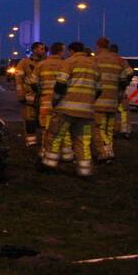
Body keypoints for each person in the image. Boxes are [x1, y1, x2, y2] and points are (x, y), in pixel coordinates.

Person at [41, 42, 101, 177]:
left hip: (66, 110)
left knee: (55, 136)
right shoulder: (94, 65)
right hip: (86, 112)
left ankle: (49, 164)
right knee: (83, 140)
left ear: (72, 50)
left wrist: (55, 101)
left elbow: (60, 85)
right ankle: (84, 170)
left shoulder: (69, 62)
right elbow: (99, 90)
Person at [91, 37, 132, 162]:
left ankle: (105, 152)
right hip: (113, 100)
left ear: (98, 45)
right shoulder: (119, 60)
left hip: (99, 101)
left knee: (99, 127)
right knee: (109, 128)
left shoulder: (95, 60)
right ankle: (109, 151)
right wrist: (121, 90)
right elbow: (128, 74)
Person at [30, 43, 71, 160]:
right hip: (62, 103)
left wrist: (40, 92)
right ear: (61, 51)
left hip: (46, 102)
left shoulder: (42, 64)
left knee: (46, 129)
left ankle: (45, 150)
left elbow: (33, 82)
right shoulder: (66, 64)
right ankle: (67, 154)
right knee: (64, 128)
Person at [13, 42, 46, 146]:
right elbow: (18, 79)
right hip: (30, 97)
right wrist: (21, 95)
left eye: (44, 49)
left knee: (44, 122)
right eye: (41, 49)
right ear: (34, 50)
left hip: (44, 97)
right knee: (29, 121)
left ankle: (44, 143)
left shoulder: (46, 62)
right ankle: (31, 142)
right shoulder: (24, 62)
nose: (43, 51)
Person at [110, 43, 132, 138]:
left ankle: (111, 130)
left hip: (109, 90)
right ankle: (125, 130)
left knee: (111, 111)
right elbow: (130, 73)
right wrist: (126, 83)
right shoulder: (122, 61)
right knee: (124, 110)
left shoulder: (106, 61)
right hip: (121, 90)